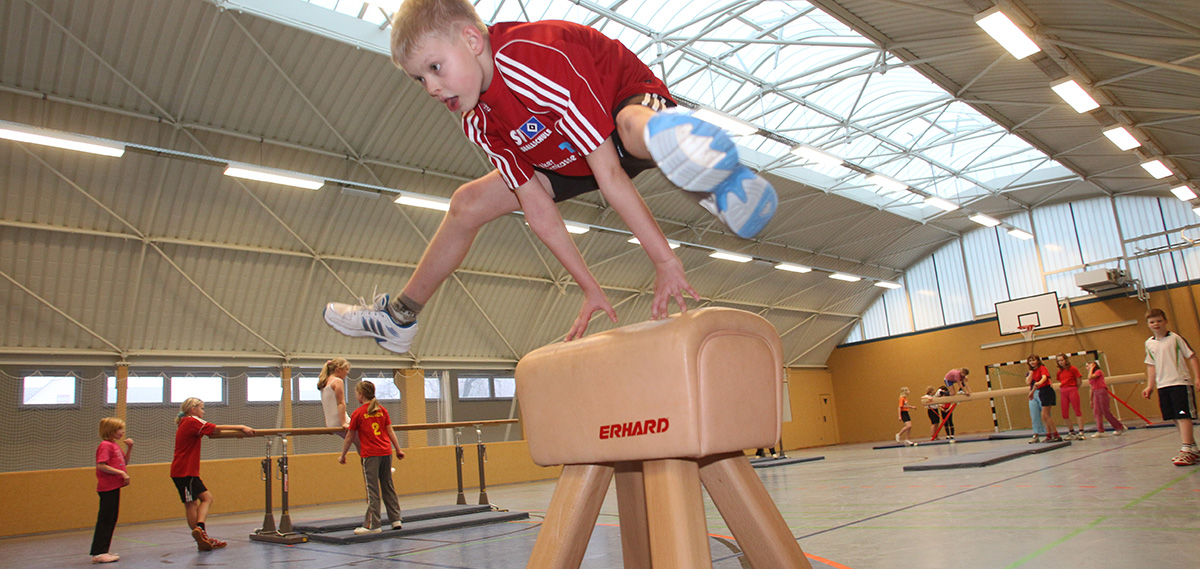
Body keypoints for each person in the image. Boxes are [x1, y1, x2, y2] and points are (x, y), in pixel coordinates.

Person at [323, 0, 778, 353]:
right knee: (467, 203)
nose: (431, 87)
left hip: (621, 106)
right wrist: (589, 287)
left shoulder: (529, 59)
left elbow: (612, 174)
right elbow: (537, 209)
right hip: (564, 153)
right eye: (418, 79)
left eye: (435, 67)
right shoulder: (477, 120)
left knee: (630, 127)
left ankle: (699, 164)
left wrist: (664, 260)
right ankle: (400, 317)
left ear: (472, 40)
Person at [172, 398, 255, 551]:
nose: (203, 412)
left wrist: (233, 434)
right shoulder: (191, 420)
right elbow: (216, 428)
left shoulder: (186, 422)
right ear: (193, 409)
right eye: (202, 409)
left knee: (206, 499)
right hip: (185, 471)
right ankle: (200, 531)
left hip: (185, 471)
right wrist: (241, 427)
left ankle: (201, 535)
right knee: (192, 504)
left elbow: (212, 433)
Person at [339, 381, 407, 534]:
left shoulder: (358, 413)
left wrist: (342, 455)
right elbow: (390, 432)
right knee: (388, 485)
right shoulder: (382, 410)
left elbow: (349, 437)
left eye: (356, 393)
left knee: (372, 489)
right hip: (386, 452)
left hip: (371, 454)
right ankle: (395, 519)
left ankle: (373, 524)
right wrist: (398, 450)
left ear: (361, 394)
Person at [1142, 308, 1200, 466]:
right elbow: (1151, 366)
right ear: (1148, 324)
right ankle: (1193, 449)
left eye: (1159, 321)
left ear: (1166, 321)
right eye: (1152, 322)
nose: (1156, 324)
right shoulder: (1149, 343)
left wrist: (1197, 377)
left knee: (1183, 416)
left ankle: (1186, 449)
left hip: (1180, 383)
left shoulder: (1175, 338)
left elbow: (1192, 357)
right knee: (1175, 417)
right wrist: (1150, 386)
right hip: (1163, 386)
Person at [90, 417, 132, 564]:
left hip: (114, 487)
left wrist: (129, 449)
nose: (122, 432)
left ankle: (104, 550)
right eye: (120, 429)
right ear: (112, 431)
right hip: (107, 487)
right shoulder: (105, 445)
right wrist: (121, 473)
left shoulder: (114, 445)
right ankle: (99, 551)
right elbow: (101, 465)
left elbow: (123, 462)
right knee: (105, 519)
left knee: (111, 518)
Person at [319, 358, 358, 451]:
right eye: (346, 369)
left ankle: (367, 464)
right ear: (338, 370)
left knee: (360, 444)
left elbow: (326, 406)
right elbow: (340, 403)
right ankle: (371, 465)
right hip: (340, 422)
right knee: (367, 441)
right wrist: (344, 422)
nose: (347, 372)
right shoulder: (337, 381)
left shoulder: (324, 382)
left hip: (331, 423)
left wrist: (329, 426)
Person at [1026, 355, 1061, 442]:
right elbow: (1034, 384)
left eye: (1034, 360)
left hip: (1047, 391)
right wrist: (1032, 392)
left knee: (1045, 415)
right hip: (1041, 391)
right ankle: (1049, 436)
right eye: (1030, 361)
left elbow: (1044, 377)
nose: (1032, 362)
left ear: (1037, 360)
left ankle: (1056, 435)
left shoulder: (1042, 368)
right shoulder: (1033, 371)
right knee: (1044, 416)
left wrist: (1040, 382)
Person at [1086, 361, 1125, 437]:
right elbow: (1091, 388)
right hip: (1096, 393)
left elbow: (1090, 377)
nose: (1087, 368)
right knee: (1096, 412)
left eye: (1088, 366)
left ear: (1094, 365)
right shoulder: (1091, 376)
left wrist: (1091, 368)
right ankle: (1101, 431)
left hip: (1101, 391)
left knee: (1105, 411)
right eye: (1086, 367)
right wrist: (1091, 400)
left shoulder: (1098, 372)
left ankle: (1120, 427)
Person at [1055, 353, 1086, 440]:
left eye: (1062, 360)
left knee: (1077, 411)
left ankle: (1081, 432)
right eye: (1059, 361)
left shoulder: (1073, 369)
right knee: (1064, 413)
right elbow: (1060, 380)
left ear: (1066, 360)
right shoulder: (1059, 372)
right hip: (1063, 391)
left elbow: (1079, 380)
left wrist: (1075, 388)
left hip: (1072, 389)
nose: (1060, 362)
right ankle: (1071, 431)